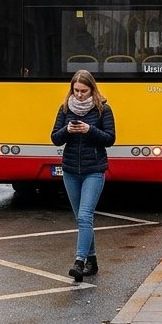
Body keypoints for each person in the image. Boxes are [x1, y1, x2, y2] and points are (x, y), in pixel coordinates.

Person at [50, 70, 116, 283]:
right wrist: (68, 130)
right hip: (70, 170)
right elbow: (55, 138)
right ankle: (93, 261)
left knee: (85, 216)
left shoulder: (103, 110)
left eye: (83, 91)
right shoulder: (64, 108)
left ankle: (79, 261)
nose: (79, 95)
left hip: (94, 170)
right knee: (81, 218)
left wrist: (89, 130)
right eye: (76, 90)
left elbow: (110, 139)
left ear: (92, 89)